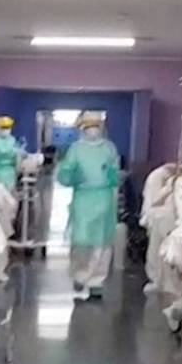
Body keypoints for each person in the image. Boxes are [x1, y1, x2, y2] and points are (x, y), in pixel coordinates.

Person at [57, 116, 119, 300]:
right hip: (83, 198)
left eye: (96, 127)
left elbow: (114, 171)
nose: (93, 130)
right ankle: (80, 276)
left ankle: (97, 281)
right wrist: (72, 175)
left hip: (104, 198)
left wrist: (111, 176)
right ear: (82, 129)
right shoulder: (76, 149)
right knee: (81, 241)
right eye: (89, 127)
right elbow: (65, 174)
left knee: (102, 242)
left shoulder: (108, 148)